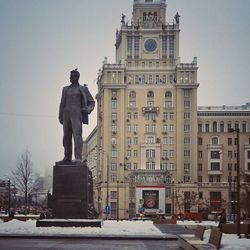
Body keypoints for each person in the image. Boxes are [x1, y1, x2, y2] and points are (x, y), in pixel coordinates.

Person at [57, 69, 95, 164]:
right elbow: (62, 103)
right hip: (66, 114)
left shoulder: (83, 89)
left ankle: (78, 157)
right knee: (66, 137)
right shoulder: (65, 89)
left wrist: (88, 109)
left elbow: (92, 102)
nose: (70, 78)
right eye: (70, 76)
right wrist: (60, 115)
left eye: (71, 76)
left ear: (77, 77)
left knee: (77, 136)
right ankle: (67, 157)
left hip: (77, 114)